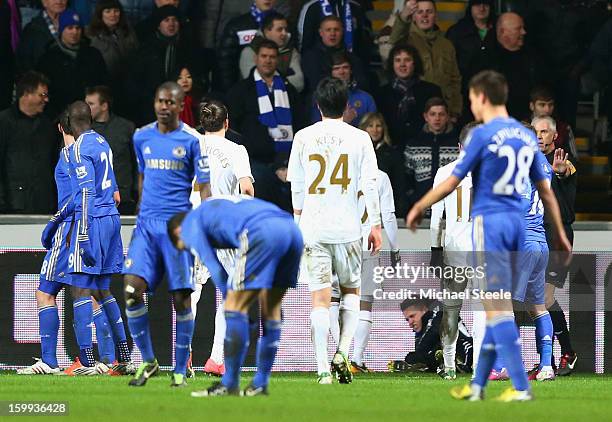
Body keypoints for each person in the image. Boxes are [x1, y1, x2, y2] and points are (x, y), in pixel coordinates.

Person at [407, 70, 571, 402]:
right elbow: (547, 191)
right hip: (520, 229)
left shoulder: (484, 135)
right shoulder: (524, 137)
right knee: (496, 309)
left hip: (493, 229)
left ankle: (519, 385)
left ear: (482, 97)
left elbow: (452, 182)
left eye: (470, 98)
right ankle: (480, 384)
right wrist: (561, 235)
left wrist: (418, 207)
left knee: (497, 310)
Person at [287, 77, 382, 384]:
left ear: (318, 105)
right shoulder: (360, 138)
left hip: (314, 227)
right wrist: (375, 224)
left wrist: (298, 221)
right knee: (352, 292)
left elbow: (297, 187)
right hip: (349, 228)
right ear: (347, 106)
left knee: (319, 298)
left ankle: (322, 370)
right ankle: (342, 352)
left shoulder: (303, 136)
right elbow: (370, 184)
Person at [168, 195, 303, 397]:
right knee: (272, 307)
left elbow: (215, 268)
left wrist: (233, 302)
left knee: (233, 306)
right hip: (292, 230)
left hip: (260, 230)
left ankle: (229, 384)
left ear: (178, 232)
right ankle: (260, 383)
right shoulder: (219, 206)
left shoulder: (190, 224)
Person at [123, 82, 211, 388]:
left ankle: (179, 368)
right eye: (159, 101)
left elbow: (205, 188)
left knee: (182, 299)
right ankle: (148, 361)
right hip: (146, 226)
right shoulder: (140, 136)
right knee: (132, 291)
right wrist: (140, 215)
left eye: (170, 102)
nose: (164, 107)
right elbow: (142, 178)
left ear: (179, 105)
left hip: (177, 228)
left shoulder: (191, 140)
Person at [188, 99, 255, 378]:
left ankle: (184, 356)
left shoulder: (189, 146)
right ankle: (216, 358)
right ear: (226, 124)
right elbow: (247, 189)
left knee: (191, 292)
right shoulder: (236, 150)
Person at [62, 100, 126, 374]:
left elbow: (86, 192)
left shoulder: (77, 148)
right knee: (103, 288)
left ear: (69, 122)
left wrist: (84, 233)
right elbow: (113, 189)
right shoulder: (102, 141)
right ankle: (123, 356)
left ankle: (87, 361)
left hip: (94, 220)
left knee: (80, 287)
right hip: (112, 217)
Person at [16, 110, 75, 375]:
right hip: (93, 229)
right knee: (94, 294)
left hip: (69, 230)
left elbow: (76, 197)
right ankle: (108, 359)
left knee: (45, 292)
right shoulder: (97, 150)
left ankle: (50, 361)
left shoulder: (70, 155)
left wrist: (53, 223)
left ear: (61, 127)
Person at [328, 168, 400, 374]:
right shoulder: (380, 176)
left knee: (334, 298)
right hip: (369, 244)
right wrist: (395, 249)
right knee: (364, 302)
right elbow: (388, 215)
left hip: (339, 241)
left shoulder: (338, 172)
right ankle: (357, 359)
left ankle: (340, 354)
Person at [429, 122, 478, 380]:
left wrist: (435, 250)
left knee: (452, 310)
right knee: (483, 311)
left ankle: (448, 365)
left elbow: (437, 217)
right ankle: (479, 366)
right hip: (480, 251)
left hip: (456, 250)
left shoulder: (445, 172)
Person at [510, 117, 556, 382]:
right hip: (541, 241)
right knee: (538, 307)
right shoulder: (543, 164)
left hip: (524, 241)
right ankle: (546, 365)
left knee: (509, 306)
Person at [533, 115, 578, 376]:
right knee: (535, 300)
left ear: (554, 136)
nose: (539, 136)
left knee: (545, 298)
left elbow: (565, 172)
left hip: (557, 236)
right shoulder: (528, 164)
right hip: (535, 234)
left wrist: (559, 173)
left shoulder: (565, 163)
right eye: (535, 131)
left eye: (544, 132)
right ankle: (548, 360)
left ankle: (564, 354)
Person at [226, 39, 302, 173]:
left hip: (287, 160)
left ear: (277, 60)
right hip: (253, 162)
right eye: (264, 56)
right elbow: (233, 128)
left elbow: (299, 122)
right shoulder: (240, 91)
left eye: (272, 57)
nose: (268, 61)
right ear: (256, 59)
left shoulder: (290, 90)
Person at [389, 0, 462, 119]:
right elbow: (394, 39)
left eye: (429, 12)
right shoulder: (406, 40)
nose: (424, 15)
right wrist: (403, 16)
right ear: (413, 17)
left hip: (443, 111)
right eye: (420, 12)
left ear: (436, 15)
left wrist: (455, 111)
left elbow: (455, 80)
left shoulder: (447, 45)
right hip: (417, 108)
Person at [125, 5, 195, 125]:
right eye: (166, 20)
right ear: (158, 25)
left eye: (174, 20)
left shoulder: (188, 47)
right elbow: (135, 82)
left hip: (180, 106)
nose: (171, 24)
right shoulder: (146, 49)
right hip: (150, 108)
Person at [0, 71, 58, 214]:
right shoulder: (4, 121)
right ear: (26, 94)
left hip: (44, 203)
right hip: (13, 204)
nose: (46, 100)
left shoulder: (47, 125)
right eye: (42, 95)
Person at [36, 9, 109, 118]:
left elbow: (103, 84)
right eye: (70, 28)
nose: (74, 32)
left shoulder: (93, 55)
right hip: (58, 116)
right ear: (61, 30)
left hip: (90, 115)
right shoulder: (48, 58)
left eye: (78, 28)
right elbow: (41, 90)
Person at [85, 85, 138, 215]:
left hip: (124, 199)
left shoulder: (126, 128)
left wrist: (137, 195)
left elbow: (137, 163)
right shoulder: (83, 131)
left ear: (104, 106)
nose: (86, 108)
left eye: (91, 104)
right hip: (94, 200)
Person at [376, 43, 442, 145]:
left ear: (415, 63)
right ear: (392, 64)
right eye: (398, 60)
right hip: (392, 148)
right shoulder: (382, 93)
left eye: (407, 60)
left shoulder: (431, 91)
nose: (402, 64)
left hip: (424, 147)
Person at [404, 97, 459, 212]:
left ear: (448, 116)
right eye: (433, 114)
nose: (437, 118)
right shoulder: (414, 144)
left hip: (451, 208)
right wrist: (413, 198)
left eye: (441, 114)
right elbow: (406, 177)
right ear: (426, 117)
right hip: (421, 207)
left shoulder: (457, 144)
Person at [388, 299, 473, 373]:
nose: (410, 322)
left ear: (424, 310)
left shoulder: (439, 311)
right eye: (407, 319)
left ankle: (459, 364)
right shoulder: (422, 327)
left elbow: (433, 332)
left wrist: (414, 359)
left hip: (465, 352)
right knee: (416, 357)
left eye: (412, 316)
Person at [445, 0, 496, 120]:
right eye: (478, 4)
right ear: (470, 7)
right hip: (466, 93)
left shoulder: (499, 28)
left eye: (485, 4)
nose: (482, 8)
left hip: (494, 91)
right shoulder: (456, 32)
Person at [491, 12, 544, 121]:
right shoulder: (486, 58)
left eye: (523, 28)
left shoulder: (534, 57)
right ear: (502, 32)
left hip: (529, 121)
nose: (524, 32)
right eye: (518, 29)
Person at [301, 16, 369, 100]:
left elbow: (362, 81)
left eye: (336, 29)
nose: (332, 34)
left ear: (342, 32)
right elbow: (316, 84)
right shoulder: (310, 57)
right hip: (321, 101)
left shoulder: (352, 57)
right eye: (328, 30)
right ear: (321, 32)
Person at [216, 0, 278, 92]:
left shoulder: (284, 26)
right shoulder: (237, 25)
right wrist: (232, 93)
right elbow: (226, 63)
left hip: (277, 88)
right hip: (243, 90)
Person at [86, 0, 138, 103]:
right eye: (108, 11)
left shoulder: (128, 31)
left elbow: (137, 54)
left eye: (116, 11)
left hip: (129, 84)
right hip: (105, 87)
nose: (113, 15)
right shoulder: (90, 35)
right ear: (100, 14)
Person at [239, 12, 304, 93]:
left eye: (285, 29)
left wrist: (269, 81)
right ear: (266, 32)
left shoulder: (291, 51)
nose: (284, 33)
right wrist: (284, 79)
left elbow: (299, 82)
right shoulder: (249, 52)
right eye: (279, 30)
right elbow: (253, 85)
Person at [296, 0, 373, 66]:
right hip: (320, 66)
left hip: (351, 64)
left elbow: (362, 41)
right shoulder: (312, 7)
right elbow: (306, 43)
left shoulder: (355, 7)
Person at [310, 51, 376, 126]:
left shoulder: (366, 98)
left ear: (351, 70)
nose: (341, 72)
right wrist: (343, 121)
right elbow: (317, 128)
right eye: (336, 68)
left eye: (345, 67)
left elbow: (374, 126)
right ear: (330, 72)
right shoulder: (320, 97)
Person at [359, 112, 406, 214]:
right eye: (370, 126)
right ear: (364, 129)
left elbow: (399, 186)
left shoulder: (393, 155)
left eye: (378, 126)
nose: (375, 130)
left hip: (386, 209)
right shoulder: (356, 153)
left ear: (383, 128)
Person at [16, 0, 67, 74]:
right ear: (44, 2)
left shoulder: (75, 26)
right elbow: (24, 64)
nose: (59, 1)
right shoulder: (32, 30)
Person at [529, 86, 578, 159]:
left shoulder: (564, 128)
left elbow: (574, 160)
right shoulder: (521, 127)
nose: (547, 109)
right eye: (542, 105)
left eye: (550, 105)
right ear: (532, 106)